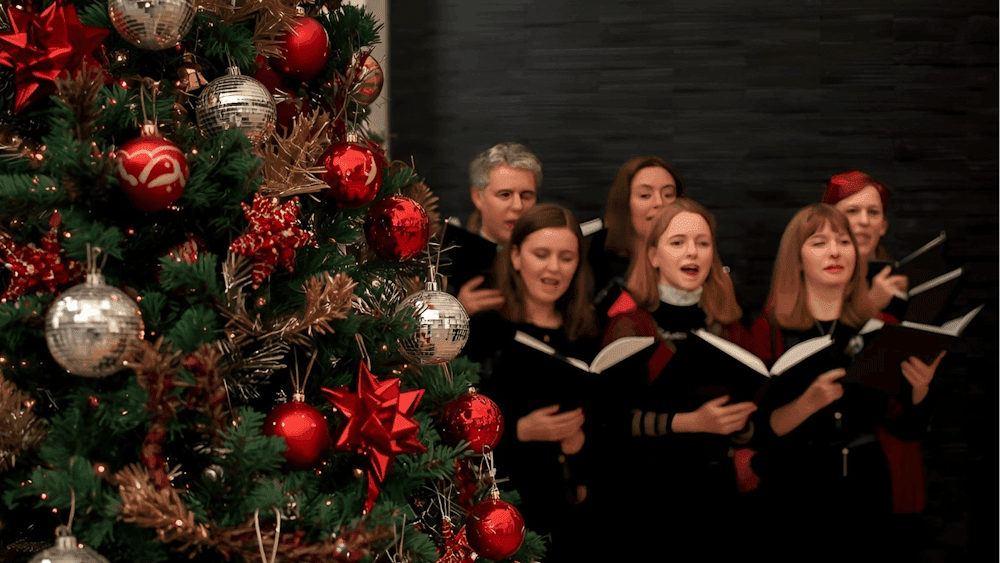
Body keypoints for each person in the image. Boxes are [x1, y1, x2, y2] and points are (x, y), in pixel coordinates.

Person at [747, 203, 945, 561]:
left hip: (867, 492)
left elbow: (907, 427)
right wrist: (806, 404)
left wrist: (920, 389)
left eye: (844, 241)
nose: (835, 251)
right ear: (797, 258)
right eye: (819, 243)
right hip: (793, 497)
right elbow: (754, 431)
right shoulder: (769, 331)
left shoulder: (883, 325)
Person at [593, 198, 756, 558]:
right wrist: (691, 422)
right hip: (647, 496)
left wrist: (739, 425)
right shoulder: (630, 324)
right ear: (652, 255)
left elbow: (753, 411)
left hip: (717, 493)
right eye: (678, 242)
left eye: (703, 242)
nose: (692, 253)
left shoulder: (728, 324)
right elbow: (610, 422)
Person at [460, 203, 599, 563]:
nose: (554, 268)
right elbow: (456, 431)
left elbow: (613, 427)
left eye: (566, 257)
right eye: (542, 254)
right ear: (517, 257)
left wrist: (582, 440)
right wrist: (521, 430)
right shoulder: (487, 332)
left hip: (577, 518)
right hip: (506, 514)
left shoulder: (588, 335)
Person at [448, 142, 541, 317]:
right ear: (478, 197)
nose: (518, 206)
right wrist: (458, 312)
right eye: (505, 195)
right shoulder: (445, 261)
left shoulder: (551, 261)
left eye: (526, 196)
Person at [588, 157, 685, 323]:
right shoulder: (594, 260)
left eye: (668, 194)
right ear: (624, 204)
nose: (660, 203)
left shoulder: (691, 257)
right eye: (645, 195)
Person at [822, 170, 908, 315]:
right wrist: (871, 305)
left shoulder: (897, 278)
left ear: (883, 226)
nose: (864, 221)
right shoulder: (810, 280)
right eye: (852, 211)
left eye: (873, 212)